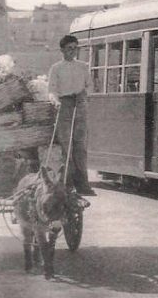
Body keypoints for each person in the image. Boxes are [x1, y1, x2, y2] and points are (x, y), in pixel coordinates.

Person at [48, 34, 97, 196]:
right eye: (69, 49)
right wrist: (56, 102)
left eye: (75, 48)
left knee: (80, 146)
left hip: (80, 105)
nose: (72, 52)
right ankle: (67, 183)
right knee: (66, 145)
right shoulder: (56, 68)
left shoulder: (83, 66)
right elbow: (52, 90)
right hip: (64, 106)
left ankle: (83, 184)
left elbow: (90, 86)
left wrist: (84, 94)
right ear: (62, 50)